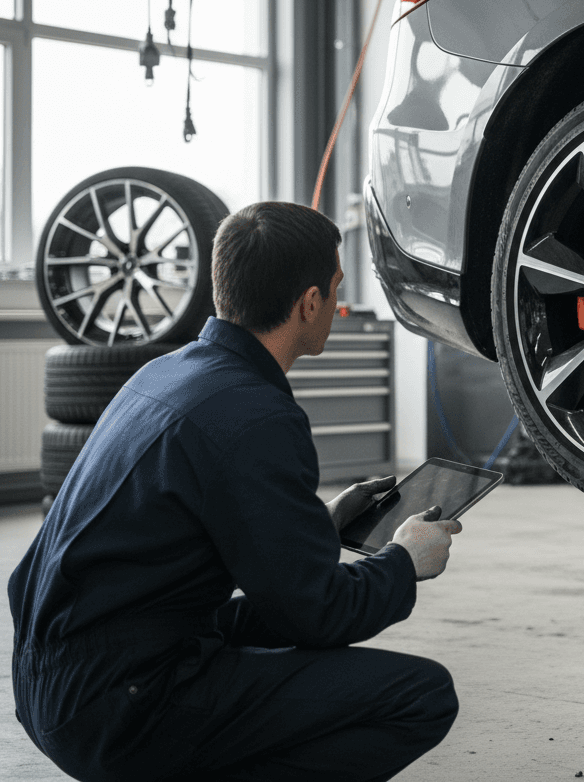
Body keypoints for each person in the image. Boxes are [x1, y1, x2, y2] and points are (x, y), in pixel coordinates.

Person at [8, 201, 461, 782]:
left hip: (52, 680)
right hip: (117, 708)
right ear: (310, 302)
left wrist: (319, 523)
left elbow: (215, 532)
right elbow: (319, 615)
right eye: (336, 288)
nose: (336, 303)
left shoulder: (165, 372)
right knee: (421, 695)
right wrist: (404, 561)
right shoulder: (256, 416)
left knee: (259, 620)